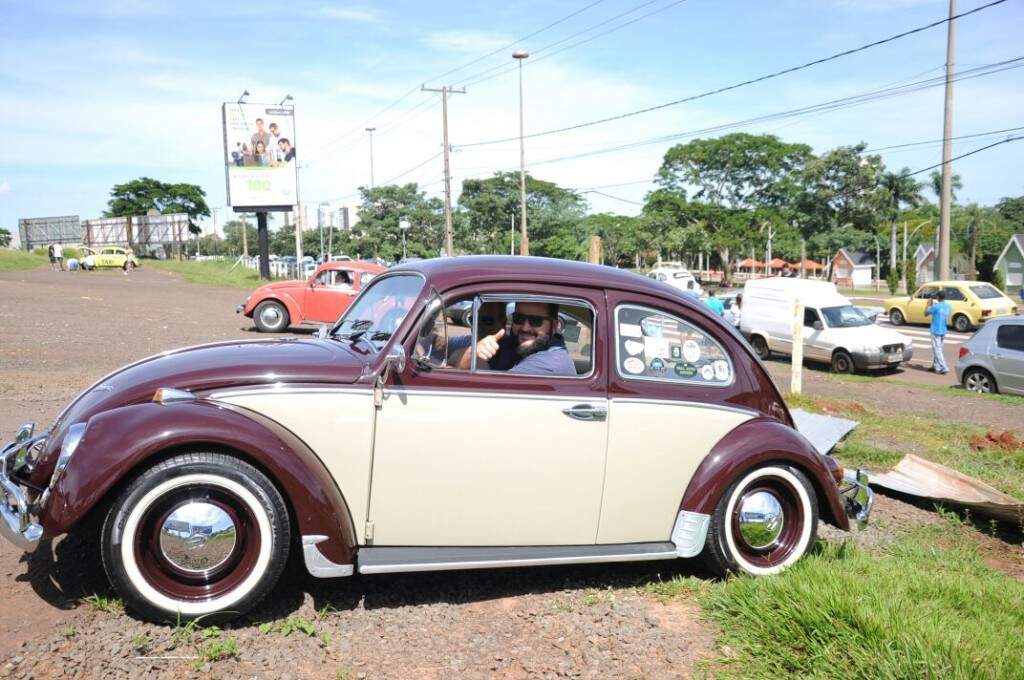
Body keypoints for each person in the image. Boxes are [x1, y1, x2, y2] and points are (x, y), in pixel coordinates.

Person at [465, 301, 576, 376]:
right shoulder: (513, 343)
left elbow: (488, 393)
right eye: (519, 318)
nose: (525, 328)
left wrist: (472, 355)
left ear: (554, 326)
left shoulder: (550, 363)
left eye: (536, 321)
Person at [925, 289, 952, 374]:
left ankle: (944, 367)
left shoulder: (936, 307)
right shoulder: (948, 306)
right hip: (943, 330)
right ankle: (935, 366)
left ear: (938, 297)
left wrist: (928, 304)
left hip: (935, 330)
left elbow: (925, 313)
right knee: (939, 349)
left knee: (937, 350)